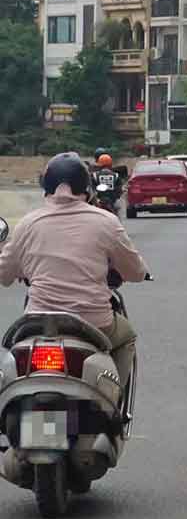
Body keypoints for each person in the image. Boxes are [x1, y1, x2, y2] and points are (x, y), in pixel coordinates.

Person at [0, 153, 148, 403]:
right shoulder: (106, 221)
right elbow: (134, 271)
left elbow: (4, 273)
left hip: (37, 322)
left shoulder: (28, 223)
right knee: (127, 337)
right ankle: (113, 401)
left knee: (13, 352)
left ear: (46, 188)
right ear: (86, 188)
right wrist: (141, 273)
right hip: (94, 322)